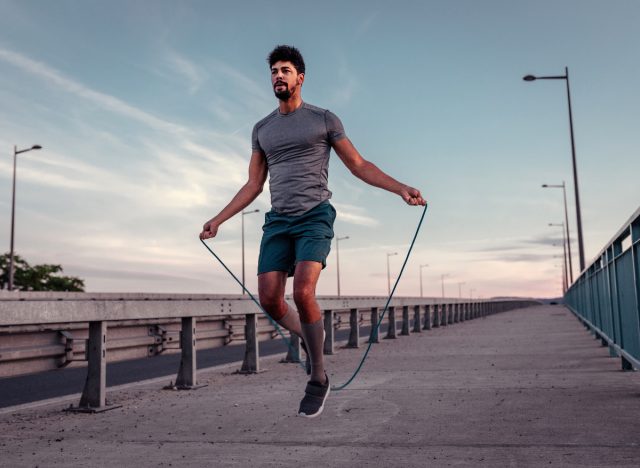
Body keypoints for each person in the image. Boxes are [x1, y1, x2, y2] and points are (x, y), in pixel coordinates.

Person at [200, 45, 426, 418]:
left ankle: (318, 377)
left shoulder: (323, 119)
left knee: (303, 291)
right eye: (274, 71)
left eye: (285, 70)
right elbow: (253, 185)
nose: (278, 76)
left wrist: (400, 187)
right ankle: (311, 337)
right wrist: (218, 219)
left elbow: (358, 164)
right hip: (278, 221)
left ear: (300, 77)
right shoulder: (262, 129)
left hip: (314, 216)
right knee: (271, 300)